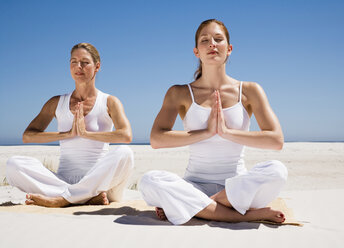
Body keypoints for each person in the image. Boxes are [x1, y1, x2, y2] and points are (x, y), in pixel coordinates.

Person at [139, 19, 288, 225]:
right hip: (194, 185)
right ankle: (241, 214)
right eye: (205, 40)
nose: (212, 44)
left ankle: (203, 206)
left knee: (278, 170)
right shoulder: (180, 93)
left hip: (236, 188)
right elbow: (156, 139)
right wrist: (206, 133)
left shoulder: (250, 90)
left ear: (229, 49)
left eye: (218, 39)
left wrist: (227, 132)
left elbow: (276, 140)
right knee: (149, 180)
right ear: (196, 52)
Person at [6, 43, 134, 207]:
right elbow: (28, 135)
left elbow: (126, 135)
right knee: (13, 164)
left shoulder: (109, 101)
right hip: (63, 181)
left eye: (85, 62)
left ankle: (63, 199)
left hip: (102, 182)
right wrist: (67, 134)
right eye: (73, 61)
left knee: (125, 153)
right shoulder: (56, 102)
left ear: (97, 66)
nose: (78, 66)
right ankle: (83, 197)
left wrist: (86, 134)